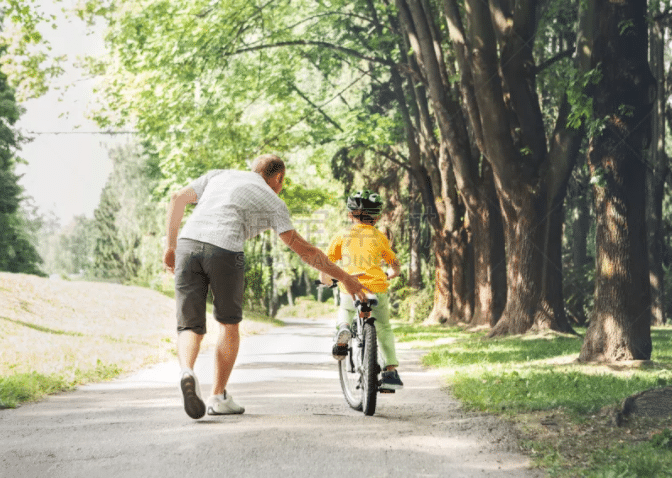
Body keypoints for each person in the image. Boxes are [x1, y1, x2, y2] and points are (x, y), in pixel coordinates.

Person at [163, 154, 369, 419]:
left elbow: (177, 199)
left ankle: (187, 372)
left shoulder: (218, 175)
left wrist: (170, 246)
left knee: (189, 325)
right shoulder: (273, 201)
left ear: (253, 169)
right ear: (278, 178)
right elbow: (306, 251)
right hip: (225, 250)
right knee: (228, 325)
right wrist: (348, 279)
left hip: (189, 243)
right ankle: (217, 395)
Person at [319, 189, 404, 391]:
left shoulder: (341, 235)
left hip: (350, 286)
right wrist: (393, 273)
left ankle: (343, 328)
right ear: (376, 216)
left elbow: (327, 265)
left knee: (346, 309)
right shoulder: (380, 237)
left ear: (350, 215)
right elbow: (395, 264)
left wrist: (326, 280)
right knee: (383, 326)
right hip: (376, 288)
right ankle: (390, 371)